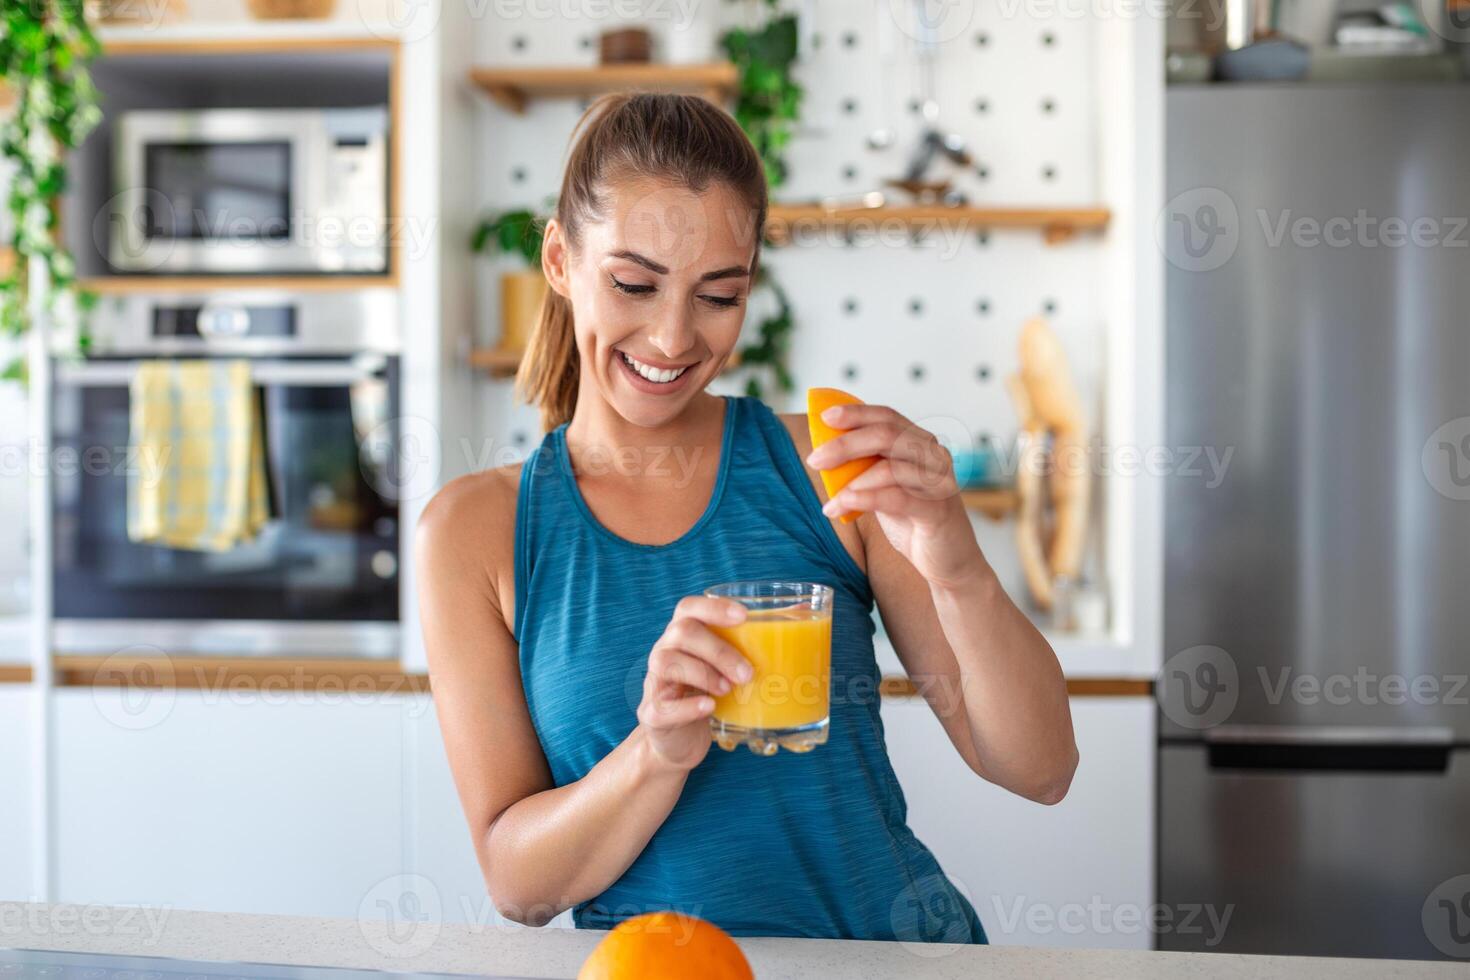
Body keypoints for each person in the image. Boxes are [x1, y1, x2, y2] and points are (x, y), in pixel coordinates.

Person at [417, 92, 1077, 943]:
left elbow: (1041, 767)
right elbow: (518, 883)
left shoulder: (829, 468)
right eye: (632, 284)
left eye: (717, 296)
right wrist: (654, 753)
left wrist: (957, 564)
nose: (671, 337)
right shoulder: (474, 533)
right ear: (558, 259)